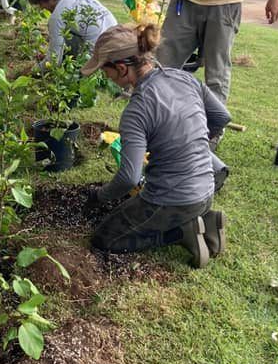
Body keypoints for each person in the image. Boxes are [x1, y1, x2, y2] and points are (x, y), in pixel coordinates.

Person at [81, 24, 230, 266]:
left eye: (104, 70)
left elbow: (129, 178)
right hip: (206, 188)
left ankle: (182, 231)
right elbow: (222, 117)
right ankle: (201, 219)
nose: (104, 76)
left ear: (120, 68)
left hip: (173, 201)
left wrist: (99, 196)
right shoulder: (184, 78)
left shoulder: (136, 111)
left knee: (104, 239)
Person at [27, 0, 117, 62]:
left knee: (64, 34)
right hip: (118, 45)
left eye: (41, 3)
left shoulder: (57, 17)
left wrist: (33, 70)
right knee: (69, 32)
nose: (41, 8)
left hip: (99, 59)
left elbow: (54, 61)